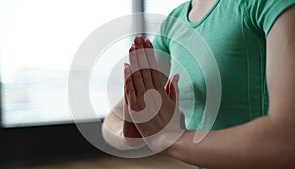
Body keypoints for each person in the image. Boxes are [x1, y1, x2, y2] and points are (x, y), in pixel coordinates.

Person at [102, 0, 295, 168]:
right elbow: (112, 123)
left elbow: (286, 142)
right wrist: (134, 129)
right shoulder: (174, 23)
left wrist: (168, 138)